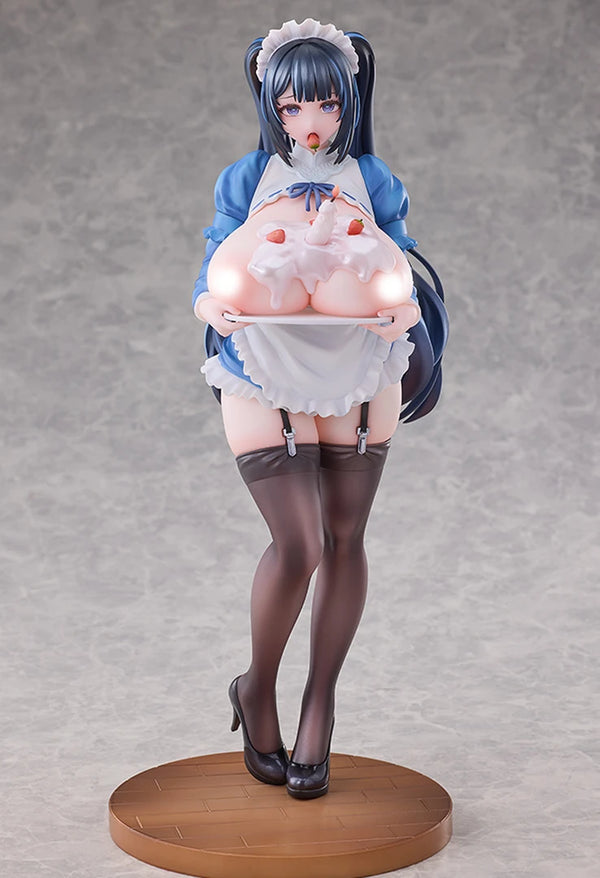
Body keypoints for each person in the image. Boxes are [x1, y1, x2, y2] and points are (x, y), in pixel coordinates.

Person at [193, 19, 431, 800]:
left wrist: (402, 309)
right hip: (264, 363)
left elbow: (398, 259)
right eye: (292, 106)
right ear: (271, 106)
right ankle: (256, 685)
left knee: (344, 538)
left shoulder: (373, 178)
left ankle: (319, 703)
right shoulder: (246, 178)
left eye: (326, 104)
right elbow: (216, 256)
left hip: (359, 368)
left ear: (349, 102)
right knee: (296, 544)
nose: (311, 121)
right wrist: (210, 303)